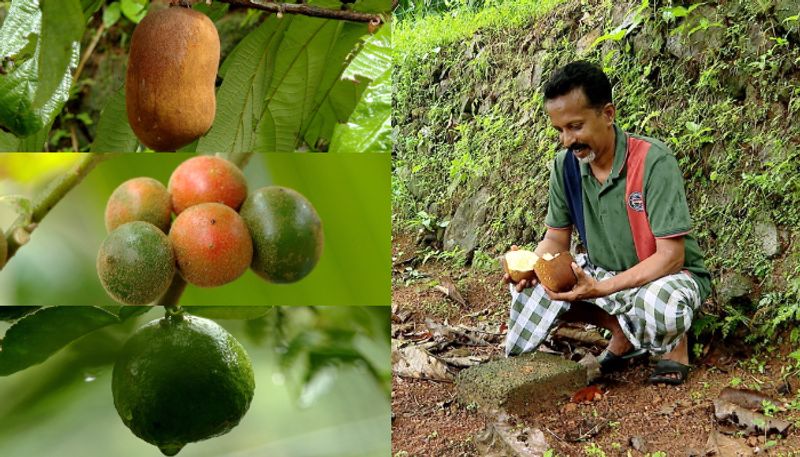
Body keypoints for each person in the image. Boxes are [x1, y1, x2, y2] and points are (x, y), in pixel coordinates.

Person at [502, 60, 711, 384]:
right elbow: (555, 240)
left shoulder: (653, 161)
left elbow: (672, 256)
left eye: (575, 126)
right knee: (530, 292)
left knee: (661, 303)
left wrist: (601, 288)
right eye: (559, 130)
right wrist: (532, 266)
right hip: (603, 273)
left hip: (665, 276)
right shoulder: (565, 167)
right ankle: (621, 335)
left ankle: (675, 349)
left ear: (608, 114)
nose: (567, 140)